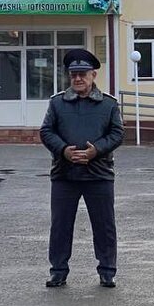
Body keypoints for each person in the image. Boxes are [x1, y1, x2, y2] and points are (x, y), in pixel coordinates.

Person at [39, 48, 124, 289]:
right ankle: (58, 271)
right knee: (60, 226)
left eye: (82, 74)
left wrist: (96, 150)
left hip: (99, 174)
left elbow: (117, 133)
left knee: (104, 226)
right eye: (73, 74)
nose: (77, 78)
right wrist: (64, 150)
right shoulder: (57, 103)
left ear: (93, 75)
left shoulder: (108, 104)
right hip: (64, 174)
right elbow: (46, 131)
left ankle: (107, 271)